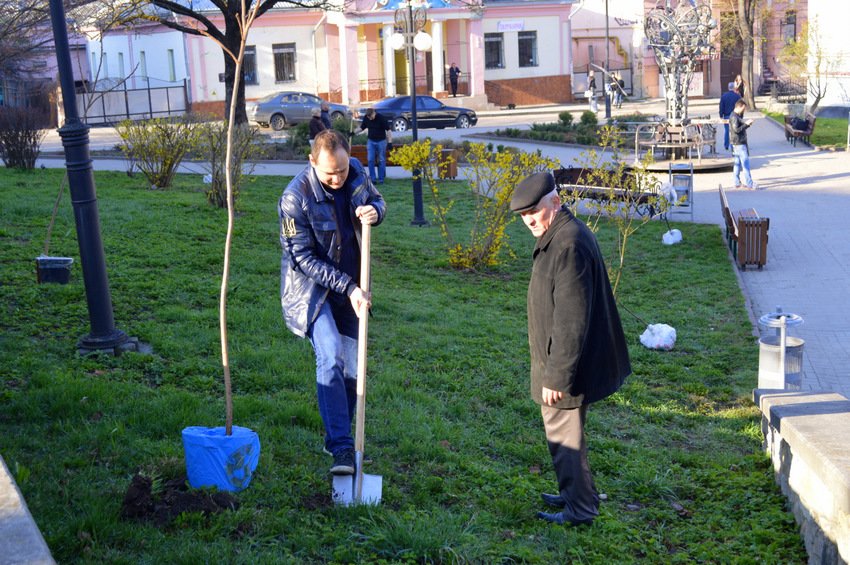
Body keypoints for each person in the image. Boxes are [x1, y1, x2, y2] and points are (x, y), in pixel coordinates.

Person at [510, 171, 631, 527]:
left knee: (565, 440)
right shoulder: (559, 234)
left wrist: (557, 376)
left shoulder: (568, 244)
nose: (530, 220)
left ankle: (579, 510)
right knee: (569, 436)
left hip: (566, 368)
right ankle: (578, 494)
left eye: (536, 211)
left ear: (556, 202)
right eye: (524, 215)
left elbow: (571, 320)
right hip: (565, 363)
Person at [278, 129, 386, 476]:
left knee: (353, 366)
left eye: (341, 170)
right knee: (330, 353)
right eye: (329, 173)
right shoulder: (295, 198)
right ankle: (340, 447)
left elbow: (377, 199)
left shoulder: (355, 171)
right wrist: (348, 287)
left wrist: (375, 212)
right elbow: (302, 258)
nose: (338, 178)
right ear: (312, 162)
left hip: (354, 287)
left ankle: (343, 437)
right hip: (313, 293)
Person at [355, 107, 392, 185]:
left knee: (381, 160)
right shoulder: (367, 118)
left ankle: (381, 179)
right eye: (368, 117)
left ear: (374, 113)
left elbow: (388, 130)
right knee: (370, 160)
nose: (370, 119)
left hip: (381, 141)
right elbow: (362, 127)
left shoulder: (381, 118)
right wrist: (353, 132)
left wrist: (390, 142)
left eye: (371, 117)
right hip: (371, 141)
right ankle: (373, 179)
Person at [729, 99, 758, 190]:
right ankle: (750, 183)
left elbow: (740, 125)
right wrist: (746, 124)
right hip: (739, 143)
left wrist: (747, 124)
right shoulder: (734, 117)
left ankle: (737, 182)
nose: (744, 110)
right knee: (745, 164)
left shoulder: (736, 115)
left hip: (736, 142)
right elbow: (736, 130)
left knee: (737, 163)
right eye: (743, 108)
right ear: (739, 107)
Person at [719, 81, 741, 151]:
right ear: (734, 88)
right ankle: (733, 145)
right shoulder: (737, 96)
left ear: (728, 88)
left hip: (726, 116)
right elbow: (740, 106)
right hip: (735, 116)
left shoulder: (724, 96)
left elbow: (721, 106)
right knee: (734, 131)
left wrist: (721, 115)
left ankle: (726, 145)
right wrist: (741, 116)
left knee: (726, 131)